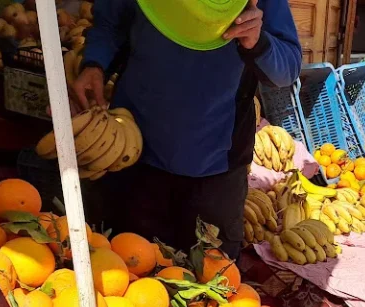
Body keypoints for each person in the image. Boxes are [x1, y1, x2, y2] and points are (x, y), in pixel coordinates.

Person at [71, 0, 302, 259]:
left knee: (211, 289)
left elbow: (288, 67)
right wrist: (95, 63)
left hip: (216, 171)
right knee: (129, 279)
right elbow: (108, 24)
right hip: (134, 159)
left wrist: (258, 42)